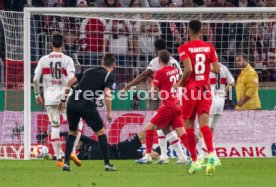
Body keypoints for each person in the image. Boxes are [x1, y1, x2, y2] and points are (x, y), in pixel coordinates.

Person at [122, 39, 188, 164]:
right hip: (177, 98)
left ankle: (149, 156)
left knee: (151, 128)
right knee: (165, 129)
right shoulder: (175, 63)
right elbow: (181, 79)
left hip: (166, 100)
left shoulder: (157, 63)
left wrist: (129, 86)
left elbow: (143, 76)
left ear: (156, 50)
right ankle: (174, 156)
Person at [58, 53, 117, 172]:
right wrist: (109, 112)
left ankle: (66, 164)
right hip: (86, 104)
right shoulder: (108, 76)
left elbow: (70, 83)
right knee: (101, 132)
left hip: (72, 102)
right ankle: (107, 164)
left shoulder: (88, 71)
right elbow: (107, 93)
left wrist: (63, 100)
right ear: (114, 65)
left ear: (102, 62)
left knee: (72, 132)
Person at [177, 20, 220, 175]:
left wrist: (179, 84)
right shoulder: (210, 47)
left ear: (188, 30)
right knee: (204, 125)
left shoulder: (184, 47)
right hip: (206, 90)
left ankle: (195, 161)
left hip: (191, 91)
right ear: (201, 30)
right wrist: (205, 69)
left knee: (188, 125)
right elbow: (217, 69)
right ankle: (212, 154)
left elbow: (188, 69)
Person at [33, 32, 82, 167]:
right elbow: (72, 79)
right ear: (63, 45)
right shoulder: (67, 60)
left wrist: (37, 95)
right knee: (78, 124)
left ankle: (59, 157)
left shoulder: (43, 60)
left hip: (49, 97)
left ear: (50, 44)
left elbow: (35, 79)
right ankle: (72, 151)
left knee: (55, 126)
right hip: (66, 97)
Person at [198, 63, 235, 165]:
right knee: (210, 130)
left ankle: (202, 157)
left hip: (211, 100)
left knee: (203, 130)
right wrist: (223, 92)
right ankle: (214, 157)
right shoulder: (223, 67)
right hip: (221, 100)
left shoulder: (206, 67)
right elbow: (232, 83)